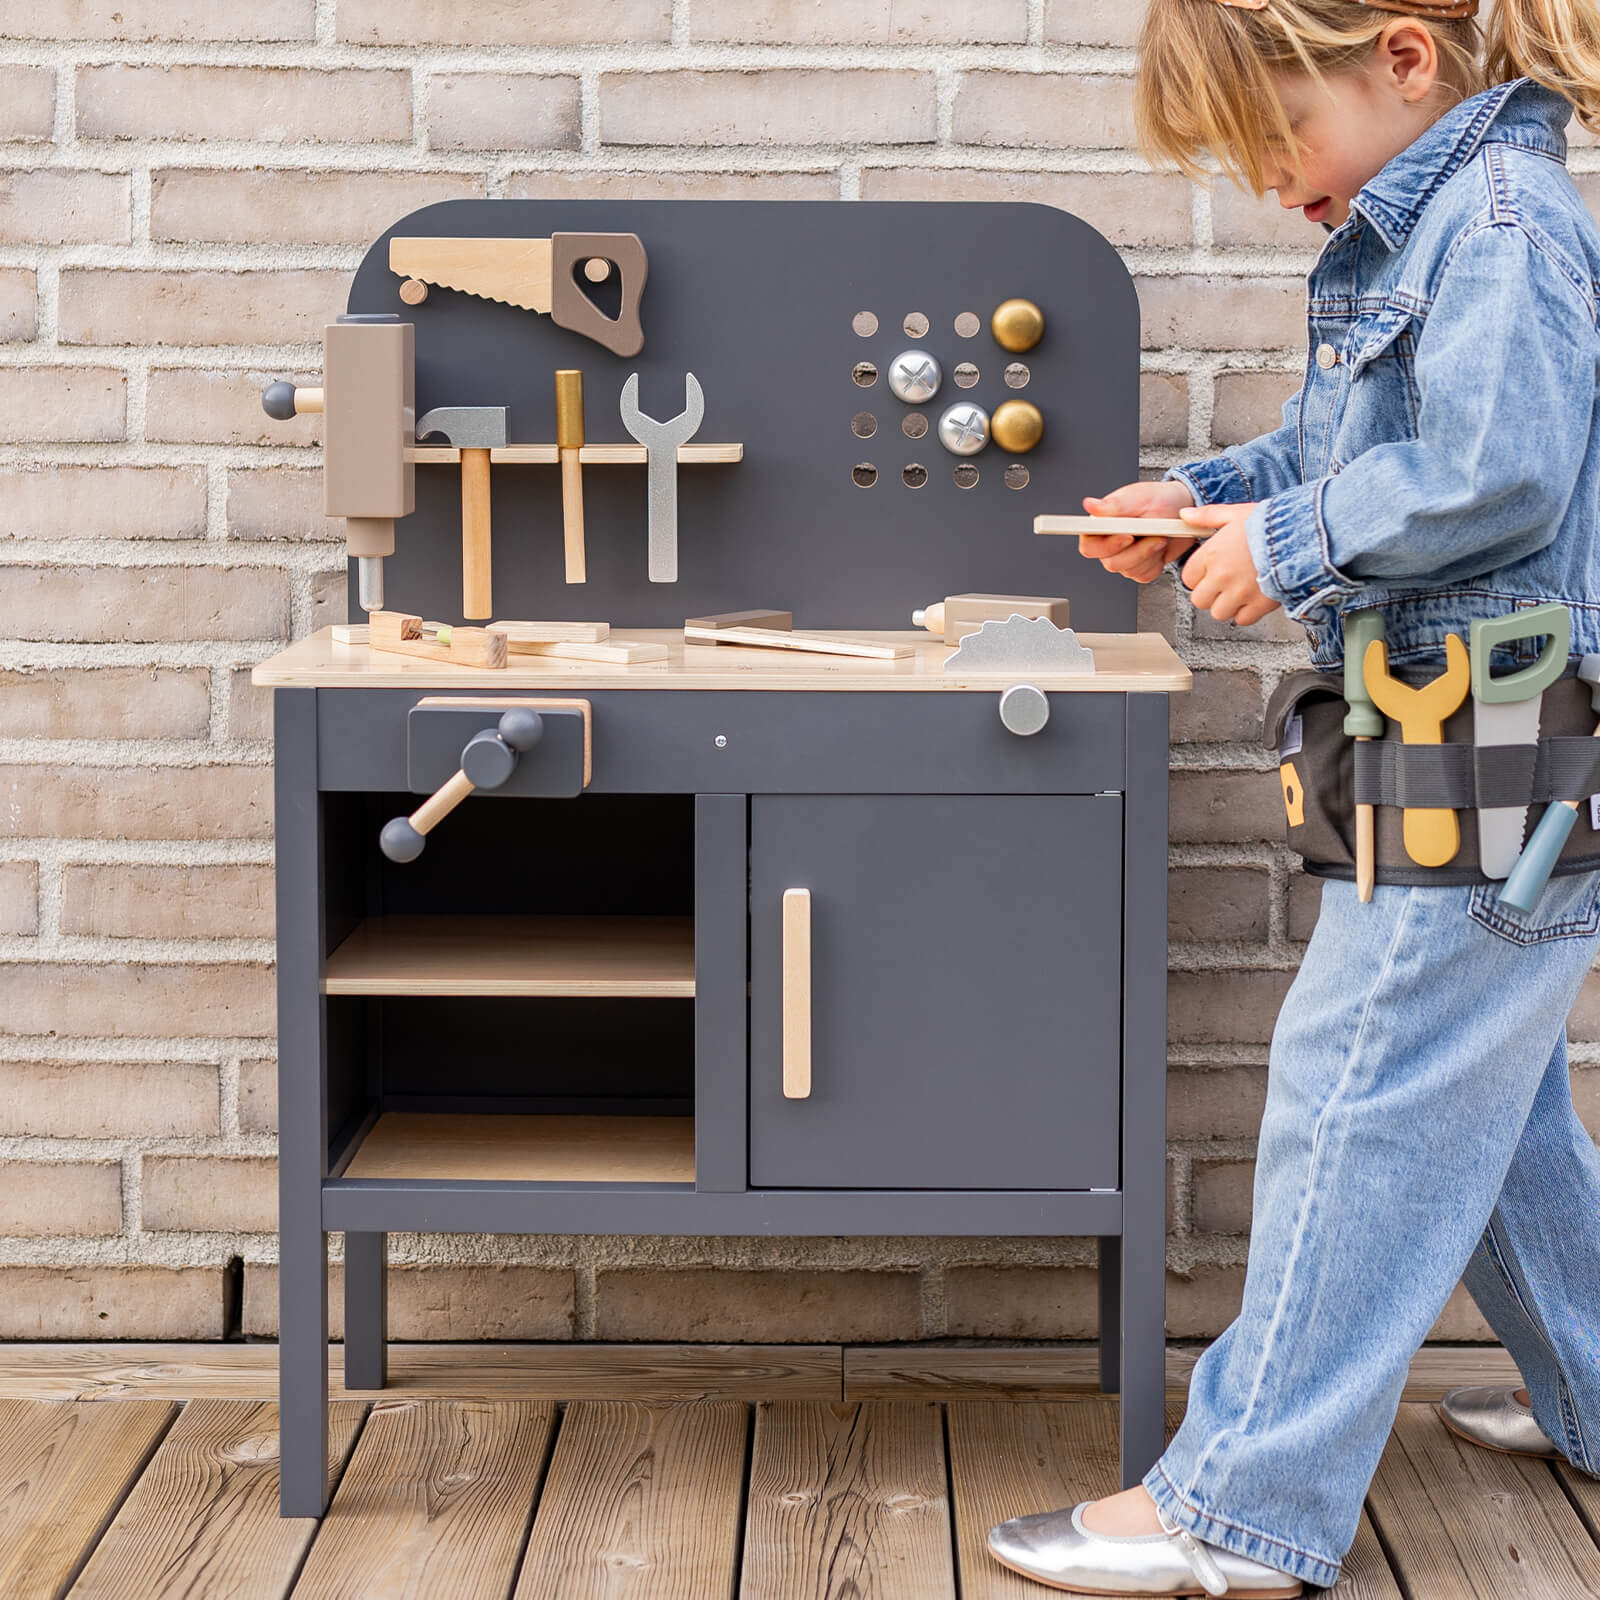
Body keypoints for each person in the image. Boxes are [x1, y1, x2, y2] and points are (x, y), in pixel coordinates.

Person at [985, 1, 1600, 1595]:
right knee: (1478, 1096)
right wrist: (1207, 502)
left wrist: (1295, 548)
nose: (1268, 180)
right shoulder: (1431, 223)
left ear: (1402, 62)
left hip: (1496, 723)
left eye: (1275, 137)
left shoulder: (1505, 224)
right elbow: (1358, 441)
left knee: (1361, 1086)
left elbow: (1499, 471)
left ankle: (1240, 1507)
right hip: (1444, 717)